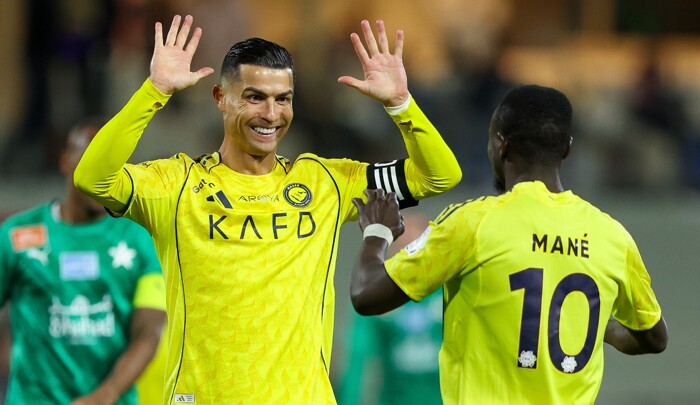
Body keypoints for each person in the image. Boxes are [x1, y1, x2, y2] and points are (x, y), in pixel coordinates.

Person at [73, 14, 461, 404]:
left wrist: (400, 105)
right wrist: (154, 91)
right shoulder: (177, 186)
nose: (271, 114)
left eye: (283, 99)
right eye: (255, 97)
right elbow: (92, 178)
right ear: (220, 98)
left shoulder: (325, 183)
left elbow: (438, 176)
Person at [350, 85, 668, 404]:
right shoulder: (612, 237)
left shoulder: (473, 224)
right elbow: (654, 338)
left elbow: (367, 295)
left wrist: (378, 231)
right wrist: (599, 326)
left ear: (501, 145)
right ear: (567, 149)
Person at [0, 120, 166, 405]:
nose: (98, 176)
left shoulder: (141, 239)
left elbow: (148, 333)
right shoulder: (17, 236)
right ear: (65, 161)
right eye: (90, 162)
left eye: (109, 165)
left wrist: (106, 395)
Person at [338, 213, 443, 405]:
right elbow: (356, 360)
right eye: (405, 249)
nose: (412, 257)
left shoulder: (447, 292)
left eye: (417, 247)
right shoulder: (376, 297)